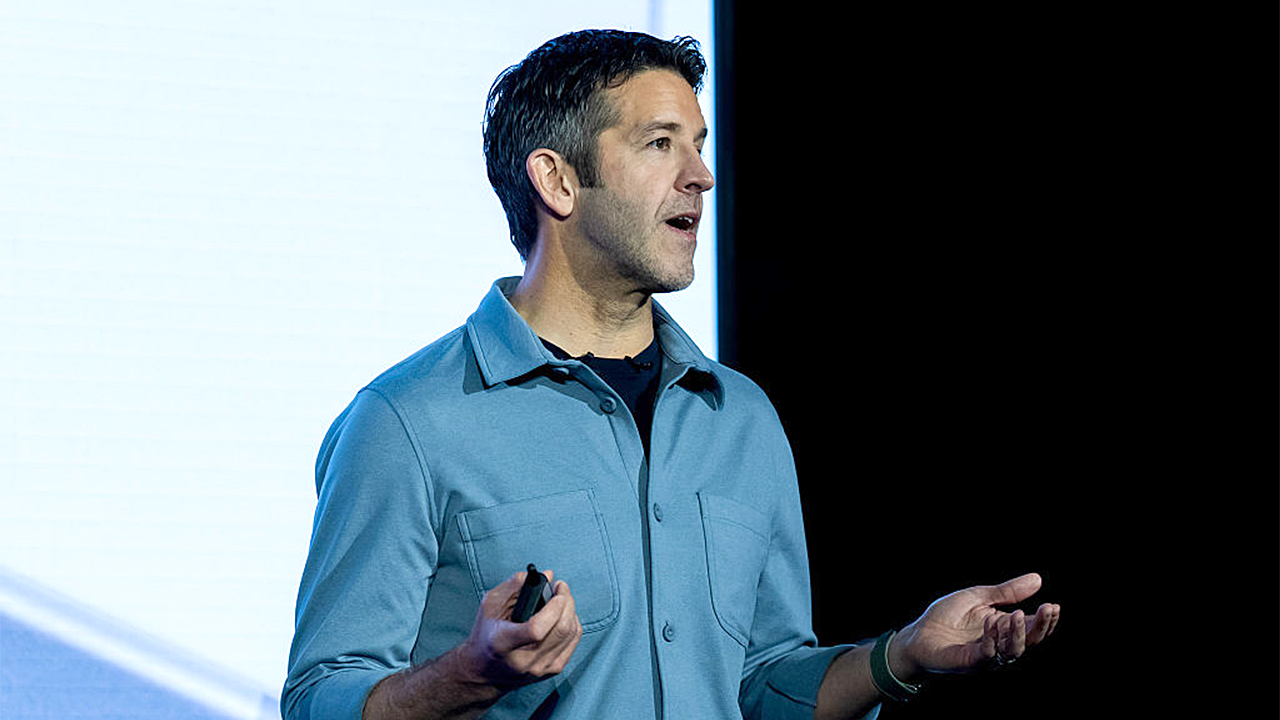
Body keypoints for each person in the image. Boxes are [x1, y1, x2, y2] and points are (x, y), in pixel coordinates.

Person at [281, 29, 1061, 720]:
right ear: (557, 181)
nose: (702, 175)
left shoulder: (741, 418)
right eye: (660, 144)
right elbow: (321, 697)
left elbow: (760, 686)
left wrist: (903, 656)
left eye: (699, 143)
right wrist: (468, 676)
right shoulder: (407, 422)